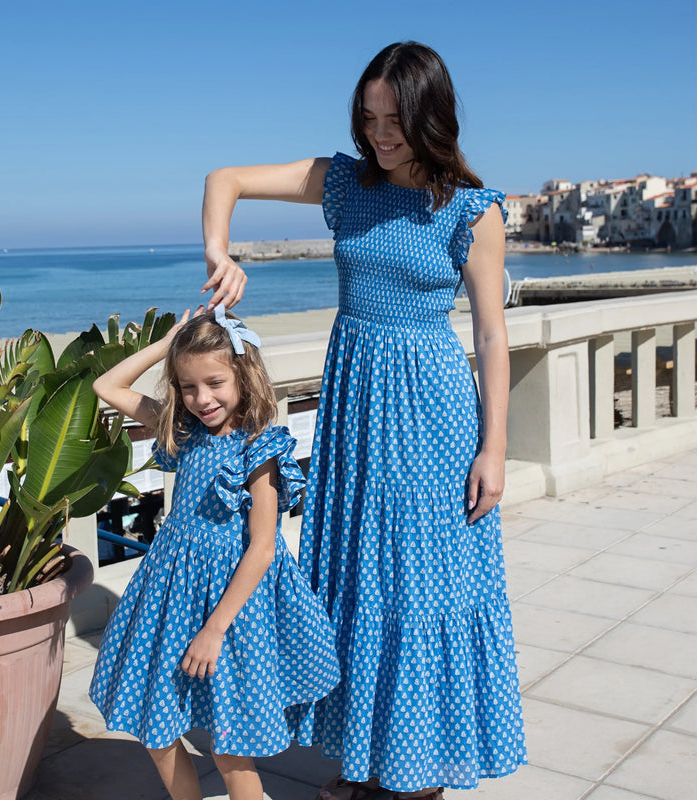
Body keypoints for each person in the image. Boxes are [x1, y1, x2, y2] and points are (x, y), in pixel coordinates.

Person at [200, 41, 526, 800]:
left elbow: (490, 335)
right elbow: (225, 179)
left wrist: (495, 448)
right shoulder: (345, 182)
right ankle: (373, 763)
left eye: (394, 121)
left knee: (420, 584)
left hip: (431, 414)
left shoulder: (471, 209)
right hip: (355, 411)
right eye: (369, 119)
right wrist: (220, 255)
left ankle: (419, 776)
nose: (380, 136)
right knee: (357, 577)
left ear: (430, 118)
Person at [88, 306, 341, 800]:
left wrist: (214, 629)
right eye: (188, 387)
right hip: (172, 593)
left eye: (215, 383)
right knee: (155, 726)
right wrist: (170, 344)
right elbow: (107, 386)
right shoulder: (183, 431)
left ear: (244, 376)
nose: (202, 398)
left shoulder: (259, 449)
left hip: (232, 609)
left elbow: (263, 548)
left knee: (229, 747)